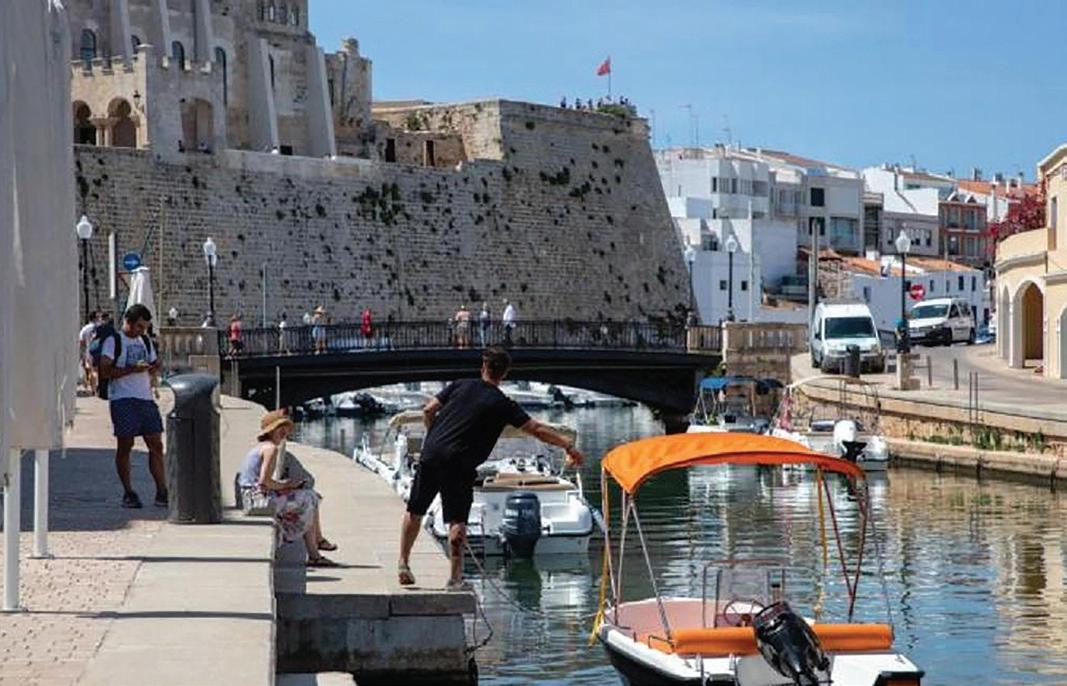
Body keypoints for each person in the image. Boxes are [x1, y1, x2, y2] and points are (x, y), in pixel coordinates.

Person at [398, 347, 584, 590]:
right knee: (457, 521)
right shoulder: (502, 404)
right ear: (504, 374)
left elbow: (428, 410)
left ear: (483, 366)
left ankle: (403, 563)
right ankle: (455, 579)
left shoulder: (460, 385)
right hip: (460, 463)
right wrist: (568, 446)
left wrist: (433, 435)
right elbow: (536, 429)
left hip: (431, 454)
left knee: (415, 510)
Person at [237, 410, 338, 566]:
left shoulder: (260, 447)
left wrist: (283, 487)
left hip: (251, 497)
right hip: (257, 501)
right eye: (280, 428)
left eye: (286, 428)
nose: (284, 432)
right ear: (271, 430)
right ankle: (316, 547)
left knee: (309, 498)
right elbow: (264, 482)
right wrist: (287, 485)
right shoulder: (271, 449)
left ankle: (315, 552)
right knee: (310, 498)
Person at [98, 304, 167, 509]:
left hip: (145, 398)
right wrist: (132, 369)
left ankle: (162, 490)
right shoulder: (114, 341)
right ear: (128, 322)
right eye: (139, 326)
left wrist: (155, 367)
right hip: (123, 399)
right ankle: (128, 492)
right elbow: (105, 371)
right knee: (125, 445)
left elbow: (154, 363)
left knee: (156, 445)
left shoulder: (144, 341)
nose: (142, 331)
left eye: (144, 327)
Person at [78, 311, 101, 395]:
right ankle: (96, 386)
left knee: (91, 370)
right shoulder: (100, 327)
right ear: (95, 318)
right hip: (99, 352)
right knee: (96, 370)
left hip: (88, 352)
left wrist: (82, 353)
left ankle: (93, 388)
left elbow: (81, 341)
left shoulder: (85, 328)